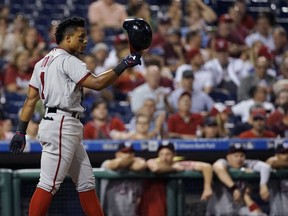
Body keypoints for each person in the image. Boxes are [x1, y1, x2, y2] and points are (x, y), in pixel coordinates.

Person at [8, 17, 143, 216]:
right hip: (62, 124)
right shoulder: (68, 61)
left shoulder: (41, 63)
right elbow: (97, 84)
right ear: (68, 38)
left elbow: (30, 100)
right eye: (81, 37)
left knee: (86, 181)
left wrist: (21, 130)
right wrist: (124, 64)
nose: (85, 41)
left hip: (57, 122)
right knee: (48, 184)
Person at [139, 142, 213, 216]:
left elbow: (206, 166)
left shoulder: (179, 164)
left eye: (168, 154)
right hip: (153, 203)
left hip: (170, 203)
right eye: (161, 154)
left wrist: (207, 187)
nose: (164, 157)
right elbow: (156, 168)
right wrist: (174, 169)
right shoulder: (152, 161)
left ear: (174, 154)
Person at [206, 143, 271, 216]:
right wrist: (234, 188)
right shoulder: (223, 162)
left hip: (236, 210)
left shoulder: (247, 164)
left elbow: (265, 167)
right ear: (228, 157)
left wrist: (263, 185)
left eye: (242, 156)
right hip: (218, 212)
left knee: (258, 214)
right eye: (236, 156)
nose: (239, 159)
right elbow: (218, 168)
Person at [100, 142, 147, 216]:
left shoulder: (137, 166)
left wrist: (128, 162)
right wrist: (130, 160)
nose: (128, 155)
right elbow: (116, 164)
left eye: (130, 152)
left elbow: (141, 165)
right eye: (124, 152)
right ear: (117, 154)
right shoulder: (107, 163)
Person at [266, 142, 288, 216]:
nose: (286, 155)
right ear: (277, 155)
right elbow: (270, 162)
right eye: (283, 153)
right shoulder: (272, 162)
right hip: (276, 211)